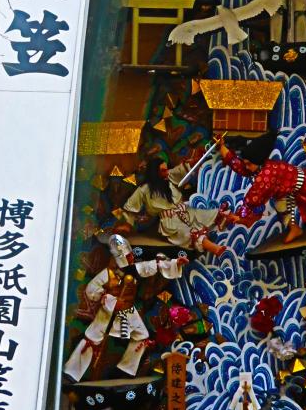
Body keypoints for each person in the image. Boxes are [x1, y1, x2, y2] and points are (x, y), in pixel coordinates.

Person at [64, 234, 188, 381]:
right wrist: (109, 299)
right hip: (107, 313)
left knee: (141, 336)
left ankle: (126, 369)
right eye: (128, 256)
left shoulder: (135, 269)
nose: (131, 258)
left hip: (127, 311)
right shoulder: (108, 274)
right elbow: (91, 289)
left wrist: (176, 263)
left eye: (130, 255)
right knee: (92, 338)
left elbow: (154, 265)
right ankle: (72, 372)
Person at [120, 154, 232, 256]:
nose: (166, 172)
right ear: (155, 173)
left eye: (166, 169)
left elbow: (182, 169)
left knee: (212, 214)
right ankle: (216, 249)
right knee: (191, 234)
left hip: (187, 211)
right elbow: (130, 208)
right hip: (170, 222)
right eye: (163, 170)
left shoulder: (168, 178)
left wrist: (196, 160)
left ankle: (237, 219)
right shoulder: (144, 190)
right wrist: (127, 224)